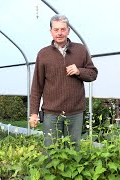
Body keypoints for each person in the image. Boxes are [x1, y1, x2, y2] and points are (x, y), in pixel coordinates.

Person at [29, 14, 98, 148]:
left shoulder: (80, 50)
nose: (59, 33)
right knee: (50, 149)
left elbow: (93, 74)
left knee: (73, 149)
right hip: (51, 113)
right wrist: (33, 113)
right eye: (56, 29)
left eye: (62, 29)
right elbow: (37, 86)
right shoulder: (43, 54)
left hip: (75, 112)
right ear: (51, 32)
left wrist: (79, 71)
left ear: (68, 30)